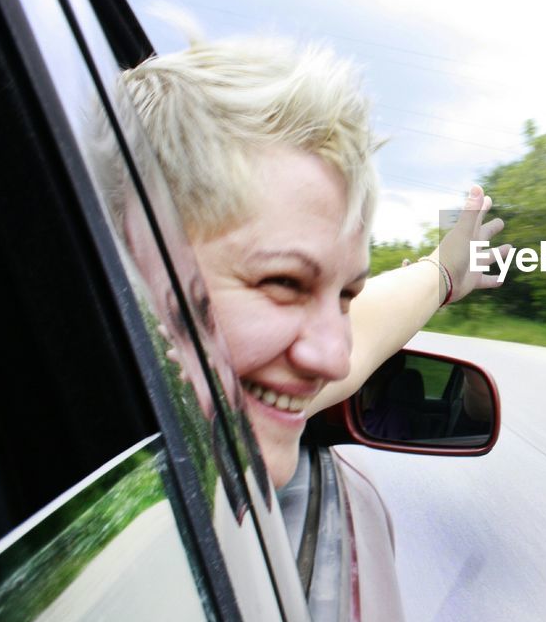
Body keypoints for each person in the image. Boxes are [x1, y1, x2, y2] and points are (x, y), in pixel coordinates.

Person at [119, 34, 508, 487]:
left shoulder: (212, 389)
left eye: (346, 296)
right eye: (283, 283)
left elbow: (363, 336)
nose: (335, 361)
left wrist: (444, 274)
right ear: (131, 264)